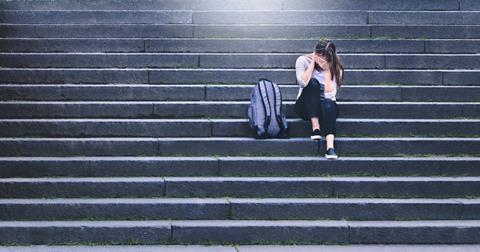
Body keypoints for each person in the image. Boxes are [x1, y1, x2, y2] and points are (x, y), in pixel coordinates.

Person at [294, 39, 344, 160]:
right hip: (305, 107)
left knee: (328, 103)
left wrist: (327, 71)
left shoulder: (337, 69)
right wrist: (312, 64)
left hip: (326, 109)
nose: (322, 61)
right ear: (315, 53)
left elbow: (329, 97)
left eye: (326, 59)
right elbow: (302, 83)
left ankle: (330, 147)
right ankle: (315, 128)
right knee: (312, 83)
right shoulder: (303, 60)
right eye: (320, 57)